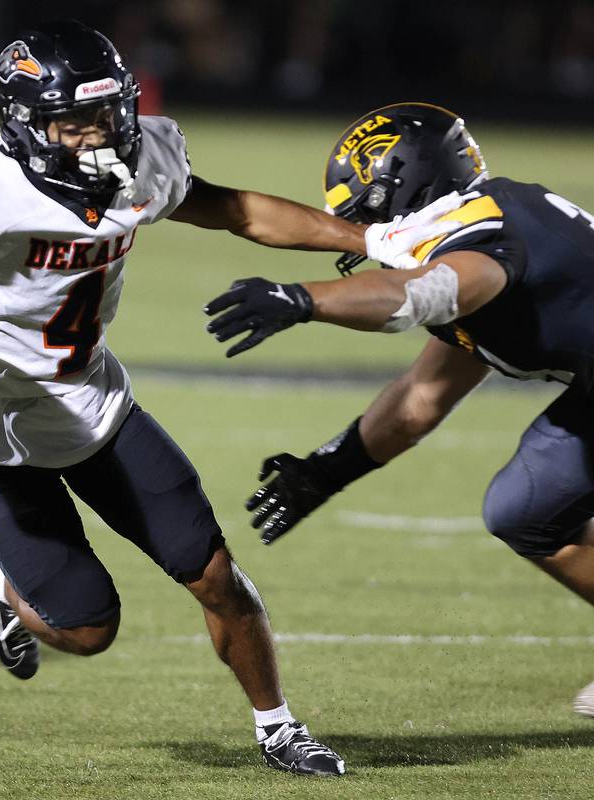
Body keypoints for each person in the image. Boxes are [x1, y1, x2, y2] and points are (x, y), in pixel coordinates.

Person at [0, 25, 452, 777]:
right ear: (24, 124)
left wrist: (365, 236)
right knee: (88, 631)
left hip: (96, 405)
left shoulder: (146, 158)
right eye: (73, 123)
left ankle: (279, 727)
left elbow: (238, 210)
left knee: (215, 575)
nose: (97, 136)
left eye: (107, 115)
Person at [204, 101, 594, 716]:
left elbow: (423, 293)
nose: (363, 229)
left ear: (402, 182)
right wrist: (325, 472)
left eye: (365, 206)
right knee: (526, 509)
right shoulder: (480, 220)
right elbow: (421, 397)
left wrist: (304, 299)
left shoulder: (482, 240)